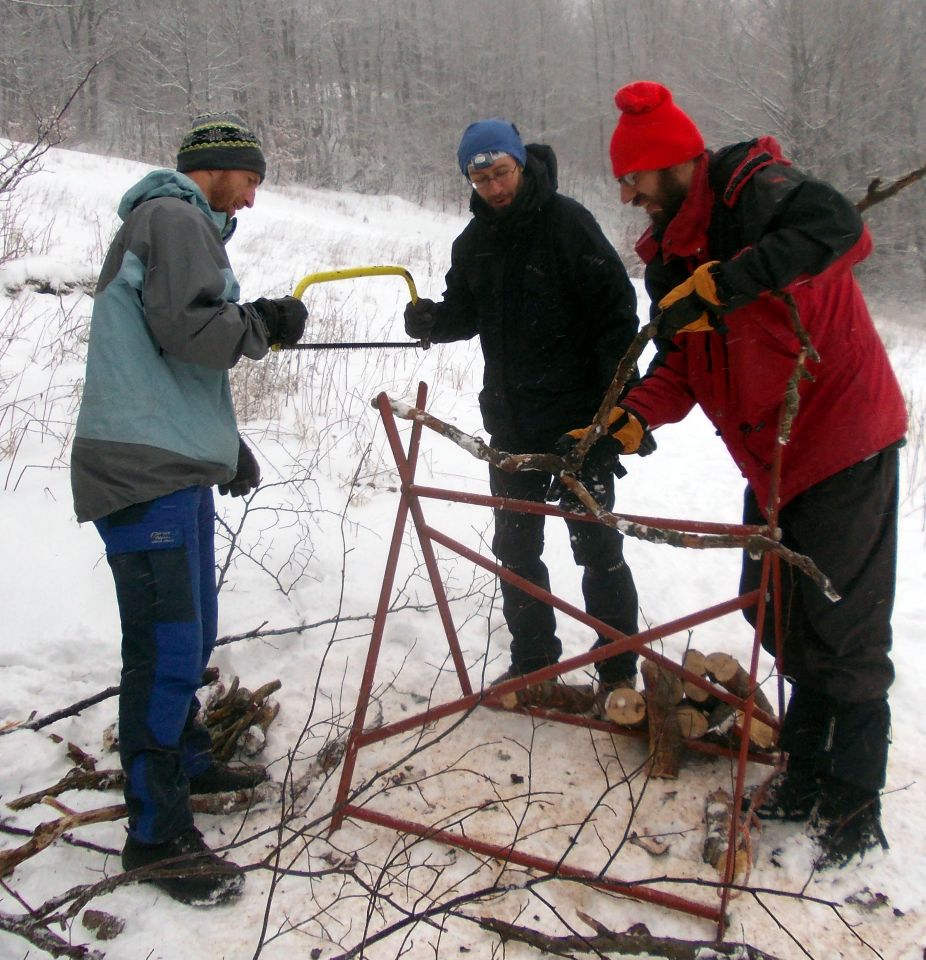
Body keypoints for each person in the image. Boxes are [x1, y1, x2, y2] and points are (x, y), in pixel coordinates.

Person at [565, 81, 907, 868]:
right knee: (778, 615)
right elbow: (686, 359)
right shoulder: (672, 255)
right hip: (775, 458)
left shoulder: (757, 191)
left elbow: (841, 229)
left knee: (843, 624)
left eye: (635, 178)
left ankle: (852, 803)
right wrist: (633, 417)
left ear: (674, 163)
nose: (626, 196)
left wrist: (736, 279)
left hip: (840, 439)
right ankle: (806, 767)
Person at [71, 112, 308, 904]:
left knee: (194, 632)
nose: (253, 196)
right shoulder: (173, 216)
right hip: (141, 472)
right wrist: (263, 326)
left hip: (171, 461)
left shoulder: (175, 221)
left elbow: (165, 357)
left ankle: (190, 764)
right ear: (217, 168)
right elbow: (191, 332)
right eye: (251, 178)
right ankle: (157, 837)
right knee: (168, 651)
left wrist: (221, 445)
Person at [403, 118, 642, 700]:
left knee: (597, 546)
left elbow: (618, 316)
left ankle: (617, 673)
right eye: (480, 177)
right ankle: (534, 661)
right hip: (509, 423)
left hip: (579, 425)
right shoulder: (474, 242)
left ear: (521, 165)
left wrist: (611, 413)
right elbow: (466, 310)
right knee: (515, 550)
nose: (494, 187)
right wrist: (435, 320)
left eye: (501, 173)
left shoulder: (568, 225)